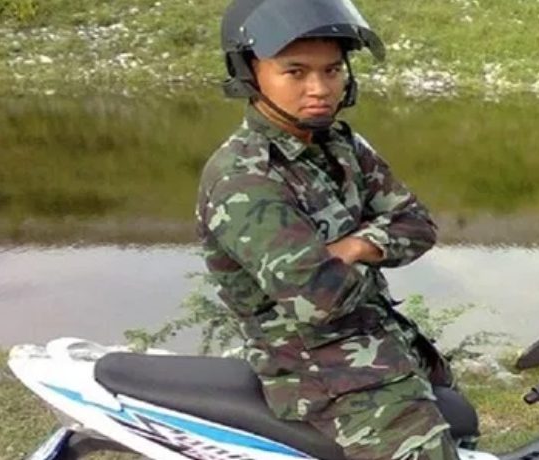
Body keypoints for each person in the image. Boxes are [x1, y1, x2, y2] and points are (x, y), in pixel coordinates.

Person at [195, 0, 460, 458]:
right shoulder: (244, 177)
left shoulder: (340, 145)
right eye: (295, 72)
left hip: (388, 344)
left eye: (332, 70)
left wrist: (355, 246)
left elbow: (419, 224)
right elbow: (319, 298)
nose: (319, 89)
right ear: (249, 74)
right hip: (327, 377)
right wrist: (375, 243)